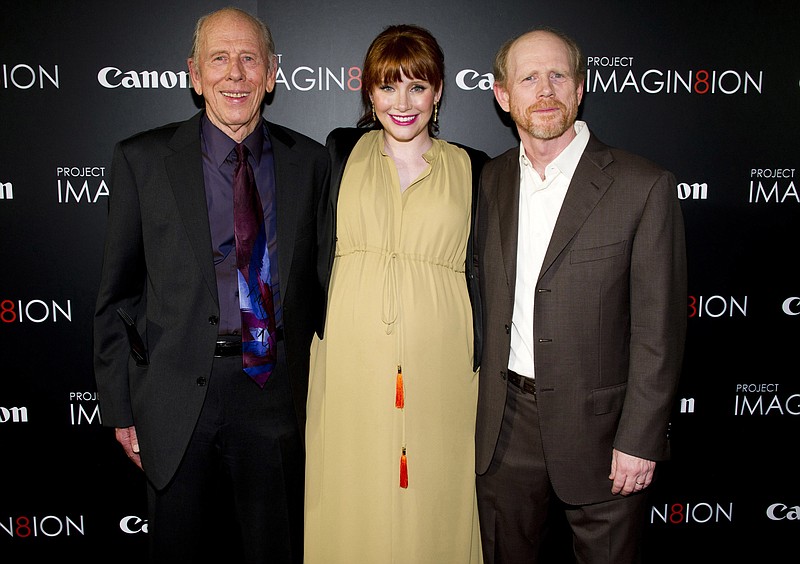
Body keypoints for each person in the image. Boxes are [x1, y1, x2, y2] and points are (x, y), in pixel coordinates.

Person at [93, 7, 329, 563]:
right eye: (219, 59)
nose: (235, 74)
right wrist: (121, 409)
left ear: (272, 74)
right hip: (176, 398)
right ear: (194, 75)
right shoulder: (142, 159)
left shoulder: (312, 162)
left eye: (250, 59)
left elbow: (323, 288)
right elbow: (117, 293)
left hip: (274, 394)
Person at [474, 27, 687, 564]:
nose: (544, 90)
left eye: (557, 75)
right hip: (505, 429)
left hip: (603, 432)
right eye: (528, 78)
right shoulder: (489, 181)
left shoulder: (643, 185)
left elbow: (658, 330)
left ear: (580, 87)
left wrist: (641, 438)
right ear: (503, 96)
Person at [304, 24, 488, 564]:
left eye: (417, 87)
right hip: (348, 362)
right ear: (369, 93)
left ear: (438, 92)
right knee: (348, 489)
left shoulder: (475, 168)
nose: (402, 103)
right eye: (388, 87)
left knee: (438, 493)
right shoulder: (339, 153)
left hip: (444, 366)